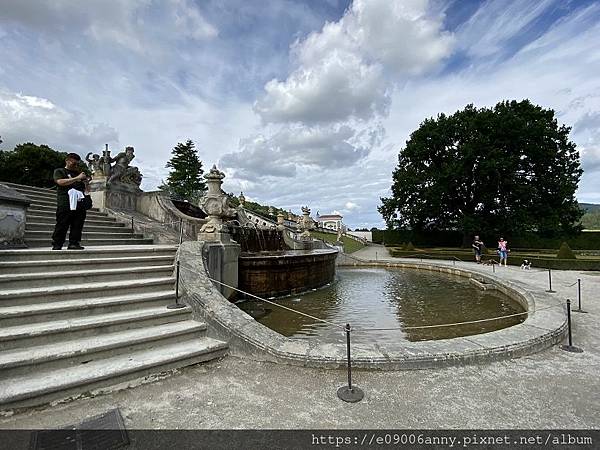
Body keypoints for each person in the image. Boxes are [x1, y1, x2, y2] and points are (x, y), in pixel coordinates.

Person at [51, 153, 89, 250]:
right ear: (67, 161)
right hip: (65, 202)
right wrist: (77, 178)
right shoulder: (60, 171)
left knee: (78, 224)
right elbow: (60, 182)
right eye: (74, 163)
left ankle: (74, 243)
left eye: (77, 164)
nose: (76, 166)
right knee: (62, 223)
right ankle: (57, 243)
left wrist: (86, 183)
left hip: (79, 202)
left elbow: (86, 189)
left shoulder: (79, 174)